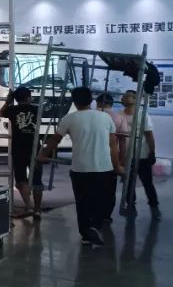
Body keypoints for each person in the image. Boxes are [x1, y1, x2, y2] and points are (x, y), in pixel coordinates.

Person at [38, 86, 121, 248]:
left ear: (74, 102)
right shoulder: (105, 118)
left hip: (80, 169)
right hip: (104, 168)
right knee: (100, 201)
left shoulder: (69, 119)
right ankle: (94, 227)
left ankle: (86, 234)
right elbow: (113, 145)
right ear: (91, 100)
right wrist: (116, 165)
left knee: (82, 202)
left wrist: (43, 155)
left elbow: (55, 140)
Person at [115, 90, 160, 219]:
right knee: (128, 181)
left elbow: (149, 135)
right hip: (126, 155)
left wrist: (152, 152)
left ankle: (154, 204)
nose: (124, 98)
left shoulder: (142, 114)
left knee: (147, 181)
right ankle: (131, 203)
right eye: (124, 96)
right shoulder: (119, 114)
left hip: (142, 154)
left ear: (136, 99)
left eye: (128, 96)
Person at [0, 86, 43, 218]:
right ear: (29, 97)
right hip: (35, 148)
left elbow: (0, 113)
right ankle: (37, 210)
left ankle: (28, 206)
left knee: (21, 180)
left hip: (18, 149)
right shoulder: (37, 109)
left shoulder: (12, 110)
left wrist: (8, 101)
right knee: (37, 180)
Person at [95, 93, 121, 221]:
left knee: (94, 187)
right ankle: (106, 215)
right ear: (111, 103)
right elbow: (122, 141)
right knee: (110, 188)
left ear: (98, 103)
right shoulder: (119, 117)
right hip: (112, 156)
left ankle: (95, 213)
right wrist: (121, 161)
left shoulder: (92, 115)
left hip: (94, 155)